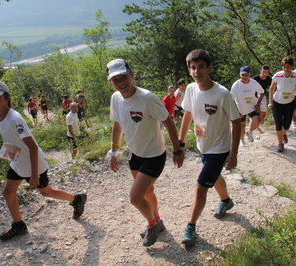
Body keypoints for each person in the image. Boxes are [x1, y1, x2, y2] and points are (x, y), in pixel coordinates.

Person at [0, 80, 87, 241]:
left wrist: (33, 175)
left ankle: (77, 199)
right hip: (18, 163)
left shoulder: (14, 119)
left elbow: (32, 147)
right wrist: (9, 158)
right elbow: (10, 141)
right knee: (8, 192)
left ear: (6, 97)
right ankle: (19, 225)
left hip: (34, 164)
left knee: (46, 192)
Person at [106, 59, 183, 247]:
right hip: (135, 154)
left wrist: (177, 150)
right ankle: (158, 221)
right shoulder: (116, 98)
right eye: (115, 80)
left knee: (135, 198)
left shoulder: (147, 98)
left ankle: (152, 224)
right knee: (147, 192)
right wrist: (114, 153)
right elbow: (117, 126)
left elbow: (169, 122)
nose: (120, 82)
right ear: (110, 83)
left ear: (132, 74)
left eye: (123, 77)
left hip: (154, 154)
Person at [178, 49, 241, 246]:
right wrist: (180, 145)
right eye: (193, 68)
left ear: (209, 68)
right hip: (202, 145)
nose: (197, 72)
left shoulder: (222, 93)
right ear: (189, 70)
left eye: (201, 67)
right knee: (213, 178)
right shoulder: (190, 89)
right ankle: (226, 201)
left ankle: (191, 227)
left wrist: (233, 154)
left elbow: (237, 122)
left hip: (219, 148)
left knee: (200, 187)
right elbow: (187, 115)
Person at [268, 56, 296, 152]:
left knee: (287, 126)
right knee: (278, 125)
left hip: (289, 102)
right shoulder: (277, 76)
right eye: (284, 67)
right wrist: (270, 102)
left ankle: (283, 133)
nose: (286, 69)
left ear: (291, 66)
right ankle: (280, 143)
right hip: (277, 102)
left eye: (288, 67)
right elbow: (271, 89)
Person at [231, 66, 265, 146]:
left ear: (250, 74)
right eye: (243, 75)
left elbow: (262, 92)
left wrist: (258, 104)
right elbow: (231, 99)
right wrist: (237, 112)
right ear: (240, 75)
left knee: (258, 120)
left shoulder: (253, 82)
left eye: (246, 74)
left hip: (252, 107)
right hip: (241, 109)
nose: (244, 77)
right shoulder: (236, 85)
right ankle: (242, 140)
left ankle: (249, 131)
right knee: (242, 125)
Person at [252, 65, 272, 133]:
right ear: (261, 71)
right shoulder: (255, 78)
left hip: (263, 96)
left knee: (263, 113)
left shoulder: (269, 79)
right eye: (263, 72)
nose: (264, 74)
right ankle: (255, 126)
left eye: (266, 72)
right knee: (255, 112)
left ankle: (258, 124)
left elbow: (272, 88)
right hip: (254, 96)